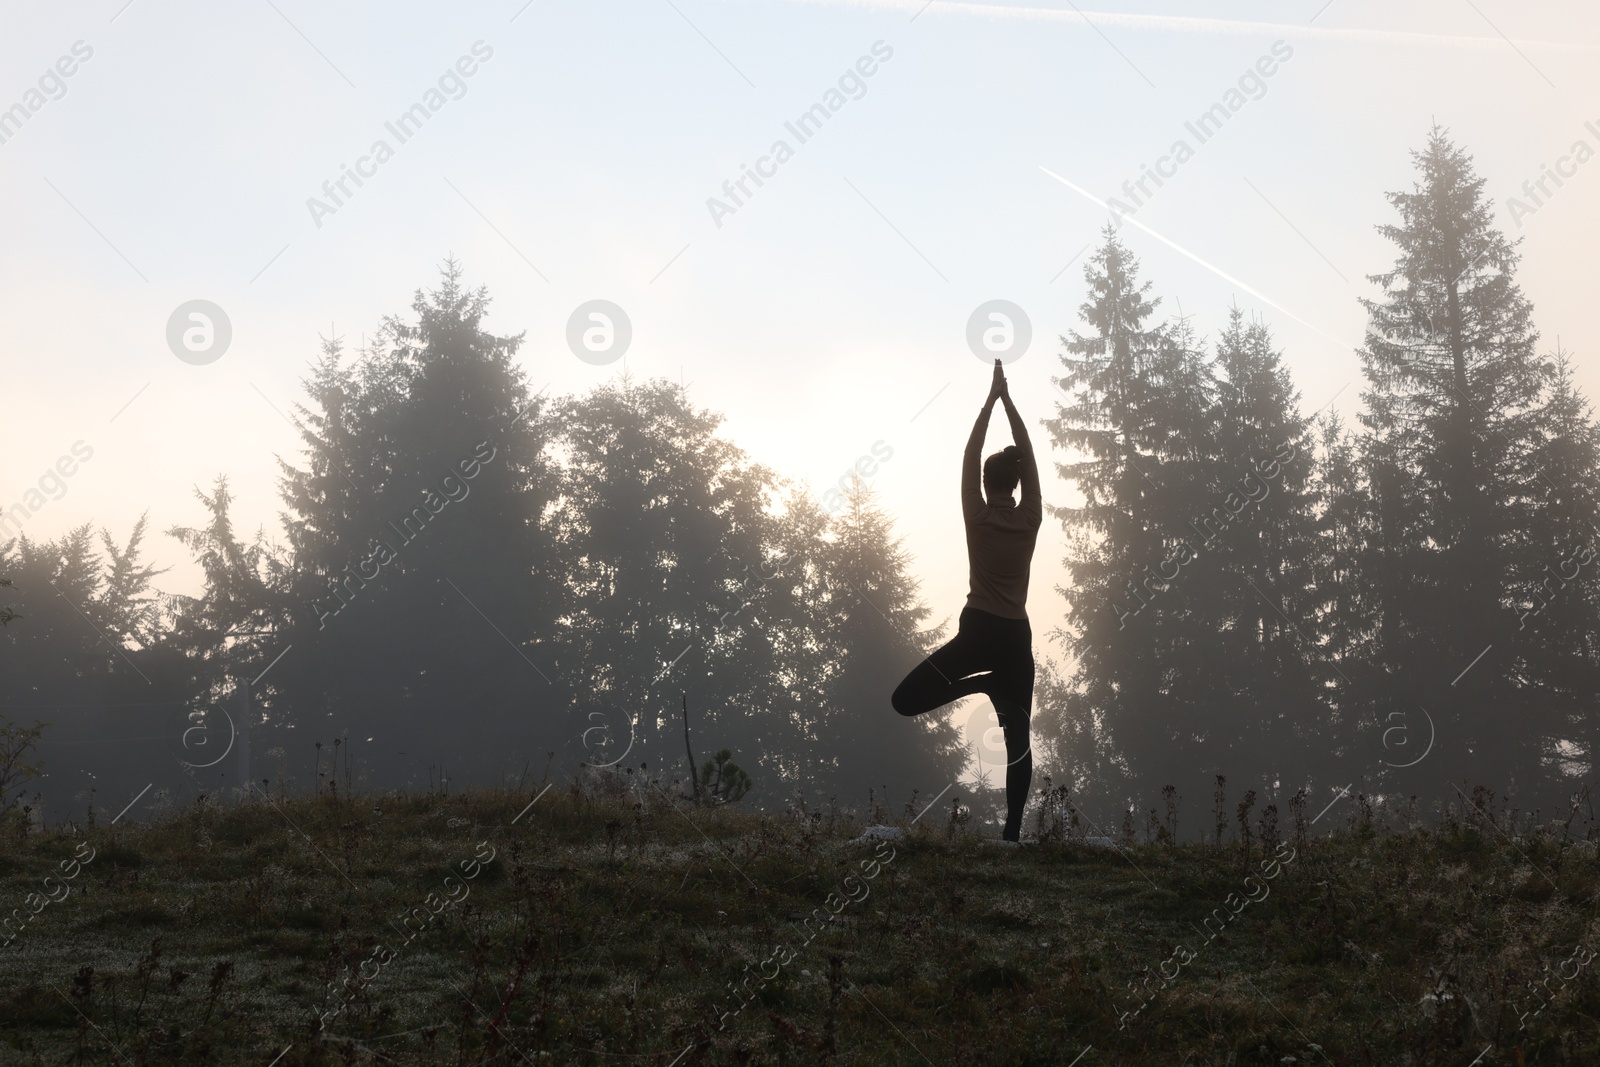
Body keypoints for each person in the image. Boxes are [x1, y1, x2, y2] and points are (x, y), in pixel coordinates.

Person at [892, 359, 1042, 841]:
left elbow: (970, 451)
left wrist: (989, 399)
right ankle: (1012, 838)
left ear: (984, 484)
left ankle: (978, 687)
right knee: (1019, 742)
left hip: (978, 632)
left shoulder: (975, 514)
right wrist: (1009, 401)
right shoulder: (1030, 519)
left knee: (905, 700)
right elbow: (1031, 454)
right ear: (1017, 485)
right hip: (1015, 640)